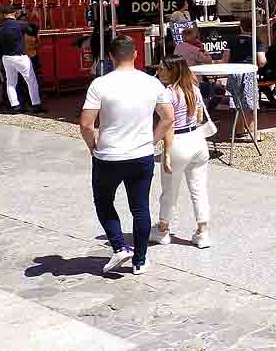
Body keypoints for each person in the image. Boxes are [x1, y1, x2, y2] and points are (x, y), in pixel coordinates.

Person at [79, 36, 174, 275]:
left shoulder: (100, 84)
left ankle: (119, 246)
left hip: (108, 154)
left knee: (103, 201)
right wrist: (151, 140)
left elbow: (87, 124)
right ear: (135, 55)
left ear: (111, 56)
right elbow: (168, 118)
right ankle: (140, 260)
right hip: (141, 154)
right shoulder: (151, 83)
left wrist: (93, 146)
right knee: (140, 207)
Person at [151, 55, 214, 249]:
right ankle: (203, 231)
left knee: (169, 190)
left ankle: (163, 229)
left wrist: (166, 152)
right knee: (199, 189)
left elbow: (169, 124)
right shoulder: (193, 89)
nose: (159, 71)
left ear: (172, 71)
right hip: (197, 139)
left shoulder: (168, 94)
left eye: (162, 68)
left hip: (178, 142)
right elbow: (201, 116)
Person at [219, 18, 266, 141]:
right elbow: (261, 61)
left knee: (238, 102)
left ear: (241, 27)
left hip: (234, 71)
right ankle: (253, 132)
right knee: (249, 103)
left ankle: (239, 129)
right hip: (248, 72)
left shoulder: (231, 40)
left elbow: (225, 59)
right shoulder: (256, 41)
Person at [0, 5, 43, 113]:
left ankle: (15, 105)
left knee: (11, 83)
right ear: (15, 13)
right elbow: (34, 28)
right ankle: (36, 104)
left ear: (3, 14)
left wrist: (1, 57)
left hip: (6, 58)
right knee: (31, 81)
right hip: (20, 56)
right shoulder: (20, 25)